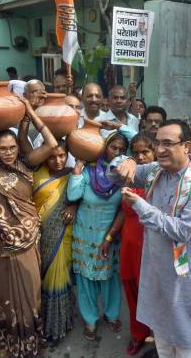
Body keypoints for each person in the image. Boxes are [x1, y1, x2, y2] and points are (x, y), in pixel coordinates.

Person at [112, 119, 191, 358]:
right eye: (157, 143)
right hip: (156, 273)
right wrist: (125, 161)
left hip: (184, 278)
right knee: (163, 344)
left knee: (186, 343)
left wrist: (141, 206)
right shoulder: (155, 172)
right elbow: (118, 176)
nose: (159, 150)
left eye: (168, 143)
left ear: (186, 146)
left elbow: (181, 231)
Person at [0, 100, 58, 357]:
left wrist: (29, 108)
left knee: (30, 291)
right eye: (2, 149)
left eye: (12, 147)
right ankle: (5, 341)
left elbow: (51, 145)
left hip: (28, 240)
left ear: (18, 148)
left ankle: (30, 339)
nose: (8, 152)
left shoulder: (26, 165)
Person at [67, 132, 128, 340]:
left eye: (122, 149)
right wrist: (76, 172)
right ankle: (90, 320)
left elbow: (124, 207)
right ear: (104, 148)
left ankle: (111, 315)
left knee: (110, 277)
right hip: (85, 232)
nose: (117, 152)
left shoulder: (125, 176)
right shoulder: (89, 171)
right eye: (113, 147)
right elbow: (73, 195)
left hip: (111, 233)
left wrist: (110, 237)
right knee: (86, 279)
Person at [99, 133, 156, 355]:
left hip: (151, 244)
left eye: (146, 152)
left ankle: (159, 336)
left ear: (155, 152)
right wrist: (109, 237)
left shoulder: (163, 178)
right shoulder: (129, 178)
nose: (141, 157)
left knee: (153, 291)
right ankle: (138, 333)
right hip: (130, 243)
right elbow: (125, 211)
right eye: (137, 152)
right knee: (132, 291)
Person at [31, 139, 77, 344]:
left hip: (62, 233)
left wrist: (74, 207)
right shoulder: (35, 173)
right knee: (40, 279)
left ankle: (57, 325)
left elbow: (81, 195)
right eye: (51, 156)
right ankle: (45, 321)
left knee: (58, 276)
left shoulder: (72, 174)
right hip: (37, 234)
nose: (58, 160)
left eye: (62, 155)